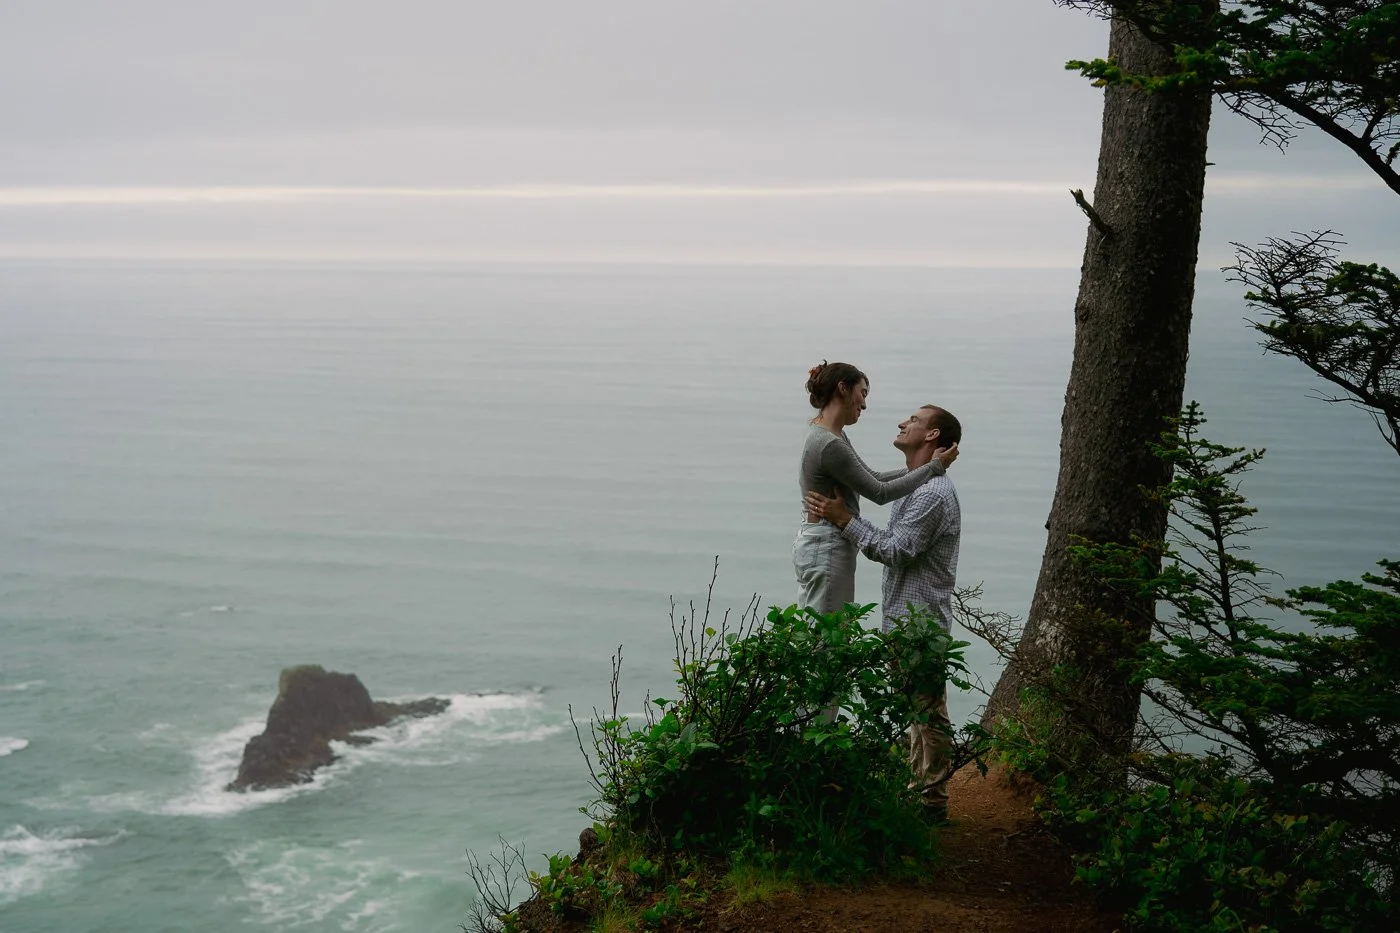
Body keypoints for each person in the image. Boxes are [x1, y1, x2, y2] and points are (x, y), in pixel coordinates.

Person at [804, 403, 962, 820]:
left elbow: (896, 550)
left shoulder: (931, 494)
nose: (902, 423)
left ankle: (931, 803)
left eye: (913, 420)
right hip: (909, 618)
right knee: (919, 711)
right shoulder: (921, 487)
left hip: (920, 622)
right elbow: (878, 487)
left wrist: (844, 520)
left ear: (932, 436)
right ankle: (919, 793)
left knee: (927, 711)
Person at [795, 362, 957, 614]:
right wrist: (932, 468)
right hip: (826, 545)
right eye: (863, 393)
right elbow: (880, 492)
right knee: (827, 636)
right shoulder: (829, 443)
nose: (865, 404)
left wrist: (926, 467)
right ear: (842, 389)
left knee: (823, 629)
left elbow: (874, 477)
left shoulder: (831, 434)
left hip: (820, 541)